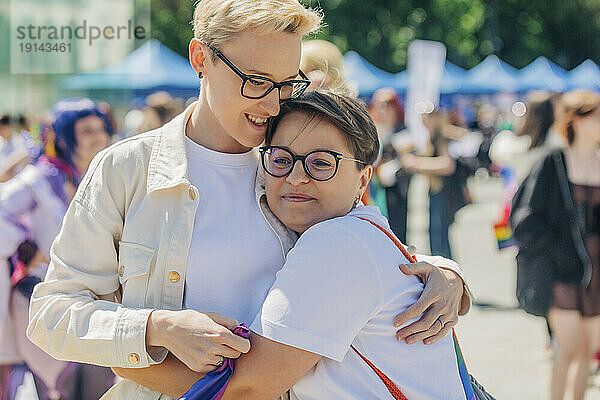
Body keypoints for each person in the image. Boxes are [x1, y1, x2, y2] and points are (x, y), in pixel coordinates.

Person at [27, 1, 471, 399]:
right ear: (201, 59)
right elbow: (50, 314)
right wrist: (155, 327)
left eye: (286, 83)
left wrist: (447, 275)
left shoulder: (296, 164)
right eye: (257, 81)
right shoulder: (126, 169)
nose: (275, 104)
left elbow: (364, 247)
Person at [114, 89, 473, 400]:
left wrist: (120, 356)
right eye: (282, 160)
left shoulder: (337, 242)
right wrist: (449, 271)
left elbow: (249, 389)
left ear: (363, 177)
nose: (296, 177)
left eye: (321, 163)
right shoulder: (361, 233)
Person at [0, 99, 116, 400]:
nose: (98, 136)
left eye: (101, 128)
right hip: (42, 294)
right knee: (62, 387)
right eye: (87, 130)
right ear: (64, 137)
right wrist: (26, 249)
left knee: (100, 385)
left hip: (96, 298)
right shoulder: (40, 178)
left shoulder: (107, 176)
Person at [511, 90, 600, 400]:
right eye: (596, 115)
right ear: (576, 120)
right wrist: (558, 251)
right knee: (571, 349)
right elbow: (525, 219)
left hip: (594, 271)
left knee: (589, 353)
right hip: (560, 269)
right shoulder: (553, 162)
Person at [399, 110, 465, 259]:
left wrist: (417, 163)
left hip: (442, 191)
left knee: (439, 236)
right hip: (435, 190)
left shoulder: (440, 136)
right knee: (436, 235)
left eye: (429, 115)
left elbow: (447, 165)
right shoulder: (433, 136)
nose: (425, 119)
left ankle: (445, 272)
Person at [367, 88, 412, 243]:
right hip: (374, 188)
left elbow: (405, 148)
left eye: (387, 104)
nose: (382, 108)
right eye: (378, 104)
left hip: (398, 189)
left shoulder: (402, 128)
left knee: (397, 232)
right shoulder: (371, 129)